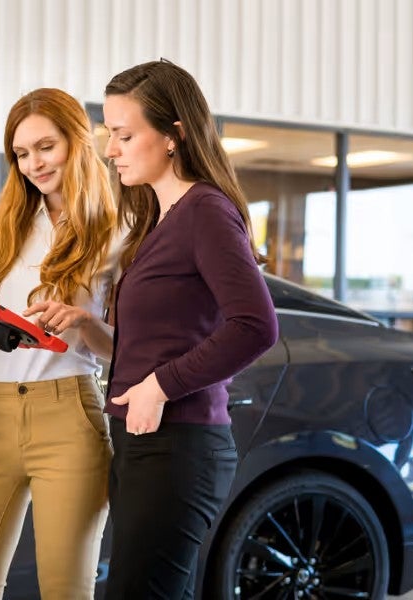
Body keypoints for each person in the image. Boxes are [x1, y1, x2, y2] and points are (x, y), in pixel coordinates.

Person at [101, 59, 279, 599]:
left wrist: (160, 385)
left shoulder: (205, 210)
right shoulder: (161, 219)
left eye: (125, 135)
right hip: (143, 443)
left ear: (174, 134)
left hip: (178, 447)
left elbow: (256, 325)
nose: (112, 150)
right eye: (111, 135)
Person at [0, 87, 120, 600]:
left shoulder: (118, 231)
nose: (33, 164)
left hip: (69, 414)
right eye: (21, 154)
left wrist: (82, 325)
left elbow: (124, 349)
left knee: (66, 591)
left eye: (45, 147)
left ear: (77, 140)